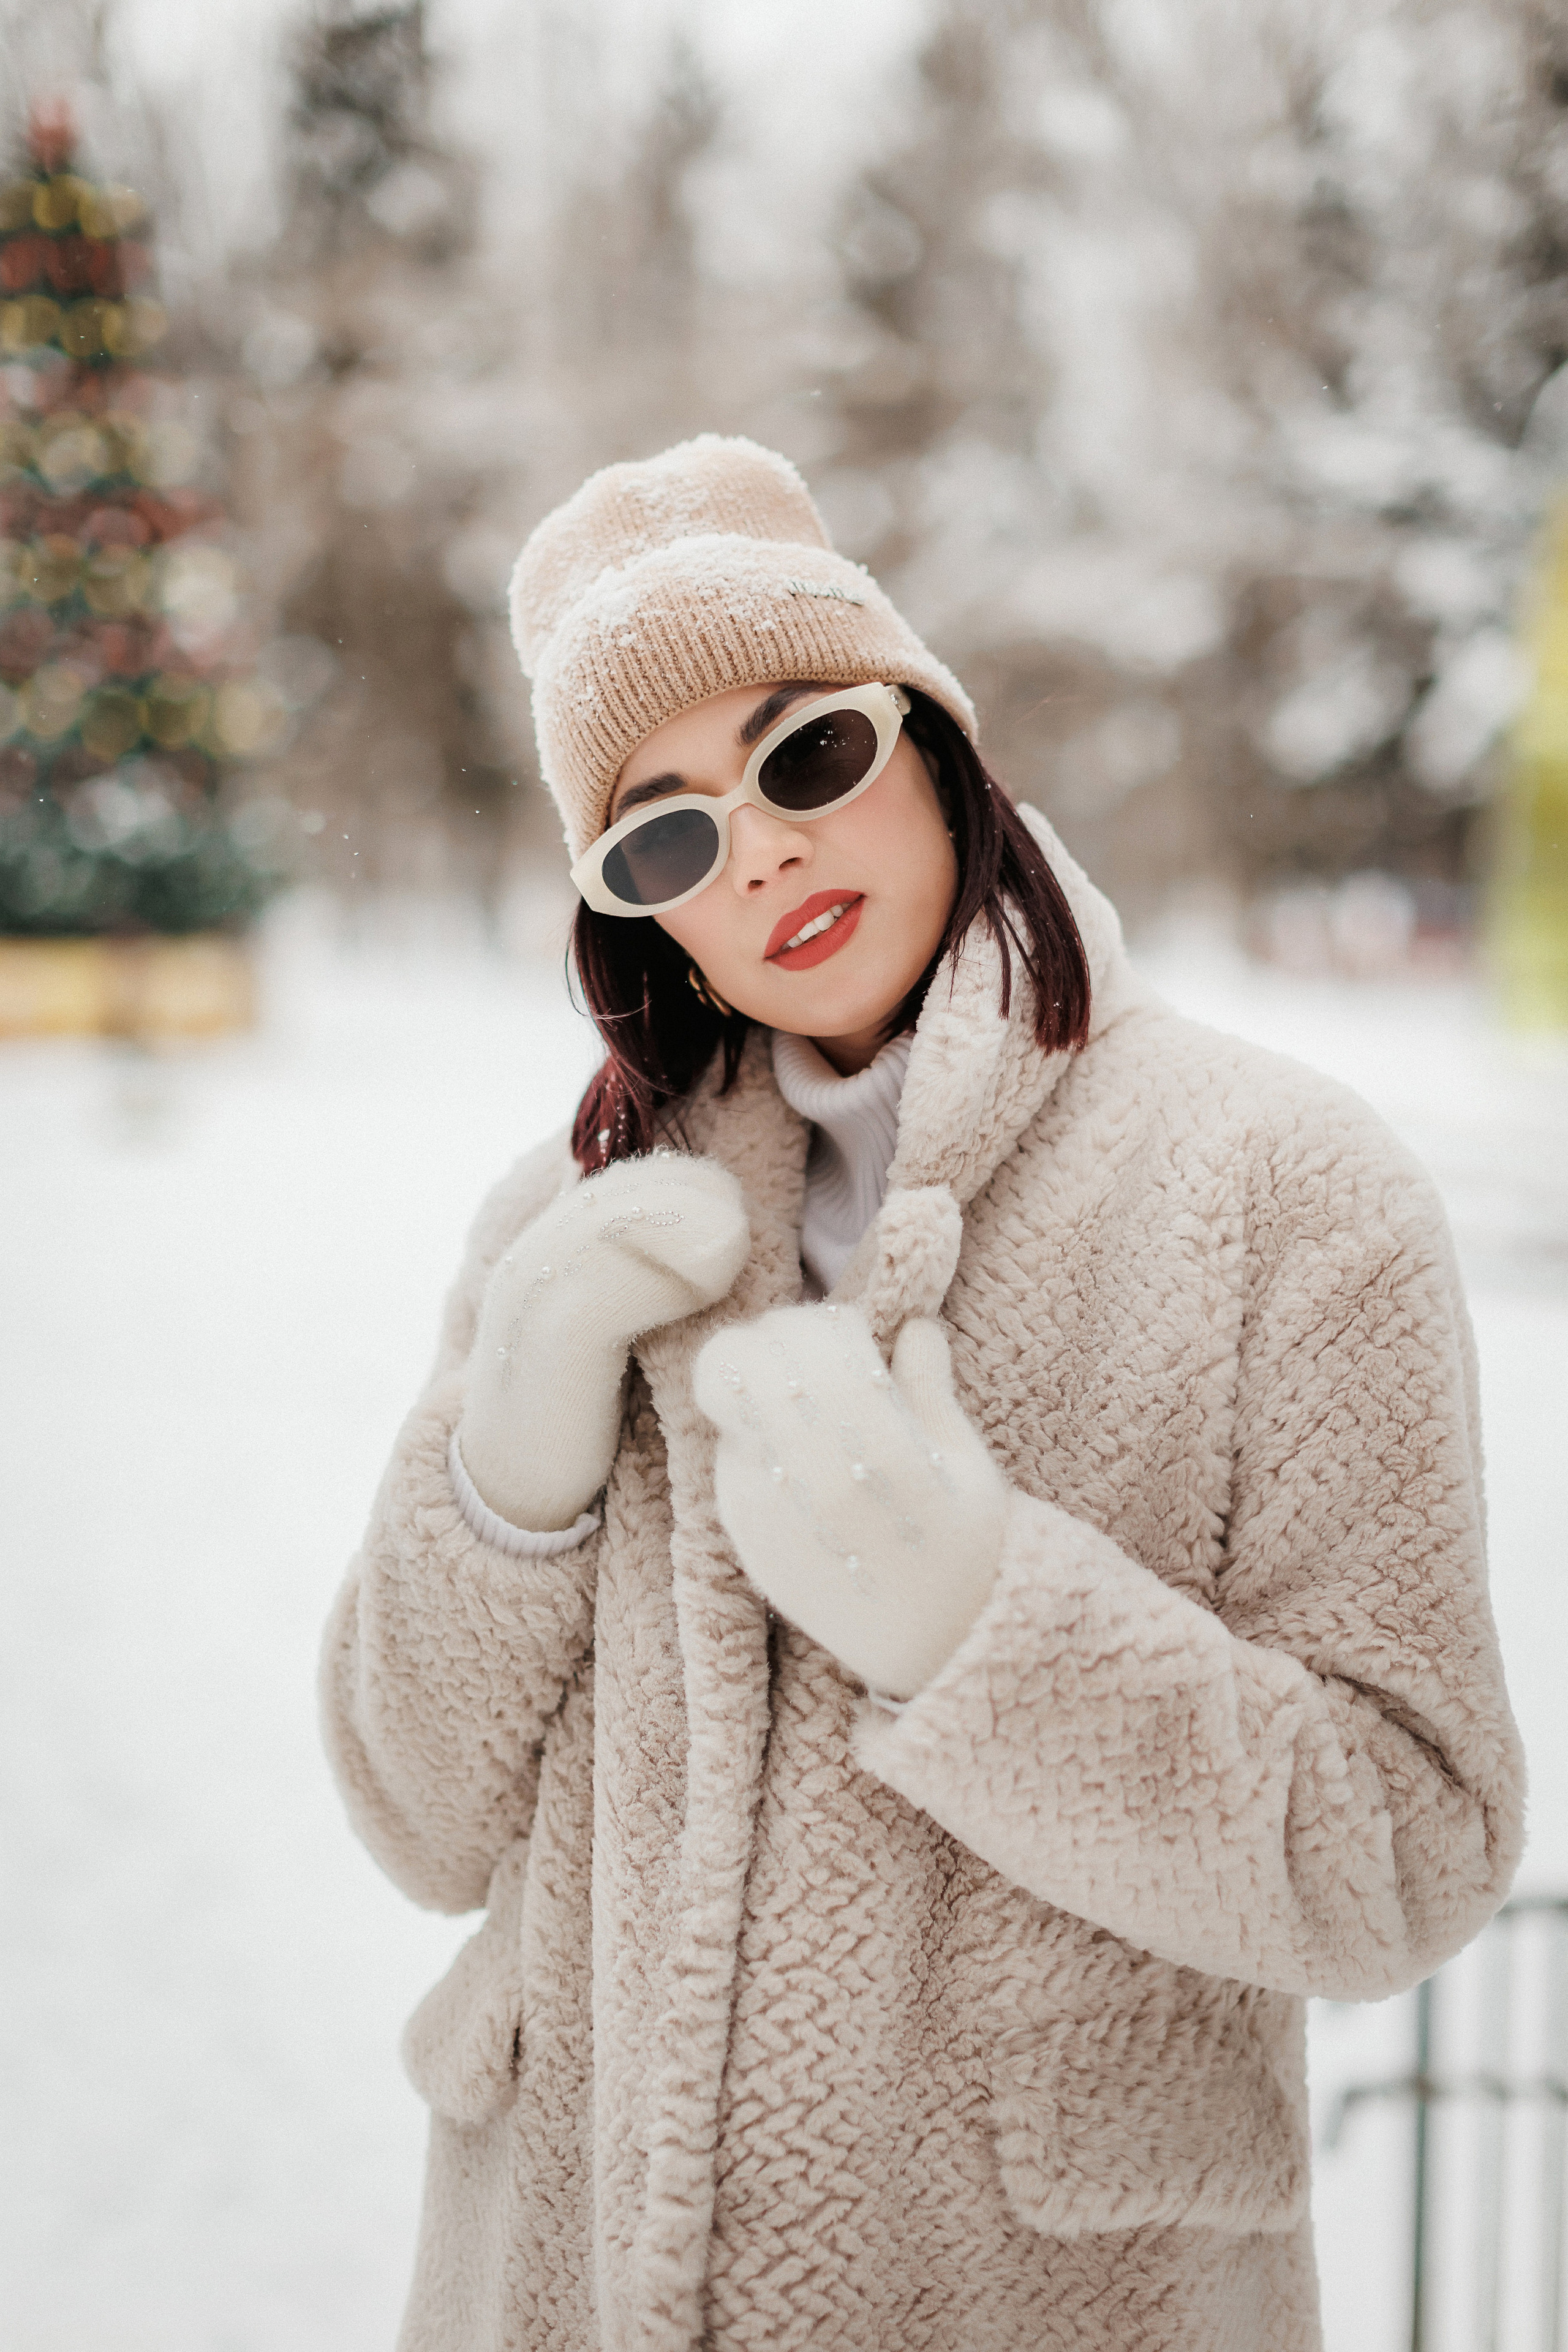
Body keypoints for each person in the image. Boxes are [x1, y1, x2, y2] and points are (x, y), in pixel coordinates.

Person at [320, 435, 1524, 2352]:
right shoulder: (563, 1236)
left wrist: (988, 1633)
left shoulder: (1285, 1188)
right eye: (667, 834)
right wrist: (506, 1481)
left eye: (808, 755)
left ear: (936, 742)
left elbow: (1404, 1854)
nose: (768, 848)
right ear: (638, 914)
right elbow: (411, 1818)